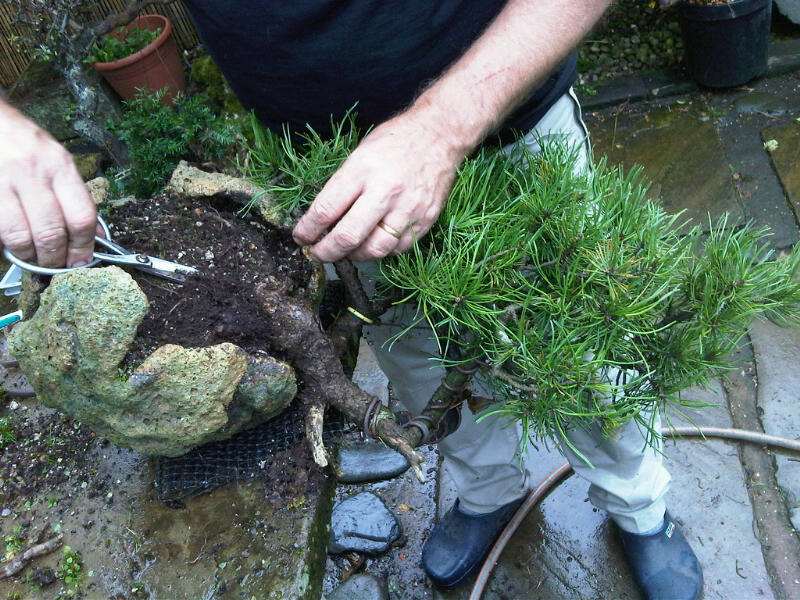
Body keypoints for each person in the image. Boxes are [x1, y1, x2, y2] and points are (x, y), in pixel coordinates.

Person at [0, 2, 703, 598]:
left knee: (584, 363)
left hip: (509, 133)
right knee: (418, 362)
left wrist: (442, 127)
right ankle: (490, 491)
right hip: (331, 173)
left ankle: (641, 507)